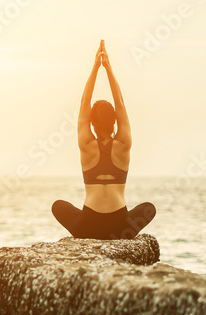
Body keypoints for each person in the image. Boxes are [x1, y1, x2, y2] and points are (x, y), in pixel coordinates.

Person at [51, 40, 156, 239]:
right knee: (149, 208)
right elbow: (121, 102)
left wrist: (95, 67)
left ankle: (89, 231)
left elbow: (84, 102)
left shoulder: (86, 145)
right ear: (115, 120)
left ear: (91, 122)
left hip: (88, 227)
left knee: (58, 206)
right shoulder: (123, 145)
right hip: (120, 226)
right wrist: (108, 68)